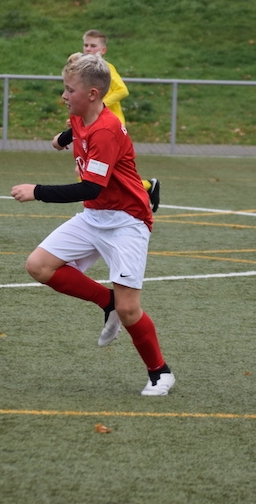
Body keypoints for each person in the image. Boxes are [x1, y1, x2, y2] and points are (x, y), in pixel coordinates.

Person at [11, 52, 175, 396]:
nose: (64, 95)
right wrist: (62, 139)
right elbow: (75, 131)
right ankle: (106, 301)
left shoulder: (106, 131)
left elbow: (90, 188)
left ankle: (160, 372)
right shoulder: (81, 115)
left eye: (69, 90)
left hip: (127, 221)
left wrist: (36, 191)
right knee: (38, 265)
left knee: (129, 310)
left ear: (93, 94)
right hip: (95, 215)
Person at [80, 30, 160, 213]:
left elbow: (122, 90)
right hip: (95, 125)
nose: (88, 49)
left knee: (94, 172)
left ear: (103, 50)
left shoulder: (105, 68)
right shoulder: (87, 71)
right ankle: (146, 187)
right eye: (86, 45)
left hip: (110, 127)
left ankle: (141, 192)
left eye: (93, 46)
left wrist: (100, 105)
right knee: (91, 171)